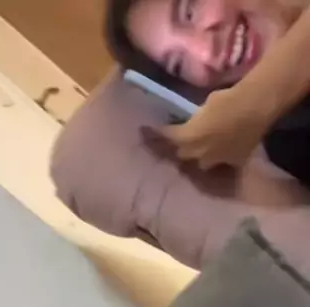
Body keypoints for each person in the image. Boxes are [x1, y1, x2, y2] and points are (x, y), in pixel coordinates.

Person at [106, 0, 310, 185]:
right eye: (178, 64)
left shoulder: (255, 109)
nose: (206, 53)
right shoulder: (290, 142)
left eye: (189, 13)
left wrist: (258, 100)